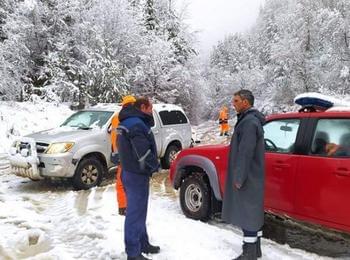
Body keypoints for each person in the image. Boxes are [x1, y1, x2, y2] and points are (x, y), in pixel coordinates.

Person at [222, 89, 265, 260]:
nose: (233, 104)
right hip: (253, 174)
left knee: (248, 214)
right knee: (253, 212)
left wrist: (239, 178)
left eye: (236, 101)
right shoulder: (251, 120)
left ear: (245, 102)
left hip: (248, 176)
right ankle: (256, 250)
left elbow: (245, 153)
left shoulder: (248, 123)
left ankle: (249, 253)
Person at [117, 97, 160, 260]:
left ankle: (143, 243)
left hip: (130, 172)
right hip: (136, 174)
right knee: (135, 214)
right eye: (150, 108)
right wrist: (154, 166)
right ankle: (133, 253)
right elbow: (143, 152)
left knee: (139, 211)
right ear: (143, 107)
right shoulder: (135, 124)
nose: (152, 111)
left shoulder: (128, 121)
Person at [110, 95, 136, 215]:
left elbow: (114, 136)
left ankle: (123, 207)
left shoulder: (116, 117)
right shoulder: (137, 118)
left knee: (121, 183)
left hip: (121, 156)